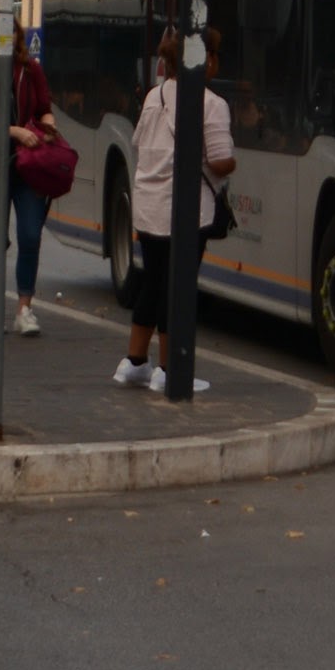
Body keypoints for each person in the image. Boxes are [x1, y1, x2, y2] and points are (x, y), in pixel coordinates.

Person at [119, 21, 231, 394]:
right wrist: (233, 164)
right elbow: (218, 161)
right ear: (206, 58)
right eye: (216, 55)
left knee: (152, 281)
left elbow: (139, 142)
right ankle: (169, 369)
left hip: (148, 204)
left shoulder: (155, 96)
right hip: (184, 210)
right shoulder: (211, 104)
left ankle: (135, 362)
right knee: (177, 287)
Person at [0, 20, 63, 337]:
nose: (10, 40)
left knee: (30, 235)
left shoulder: (31, 70)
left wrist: (48, 126)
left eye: (14, 34)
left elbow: (45, 107)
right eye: (3, 35)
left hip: (29, 165)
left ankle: (24, 310)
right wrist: (16, 131)